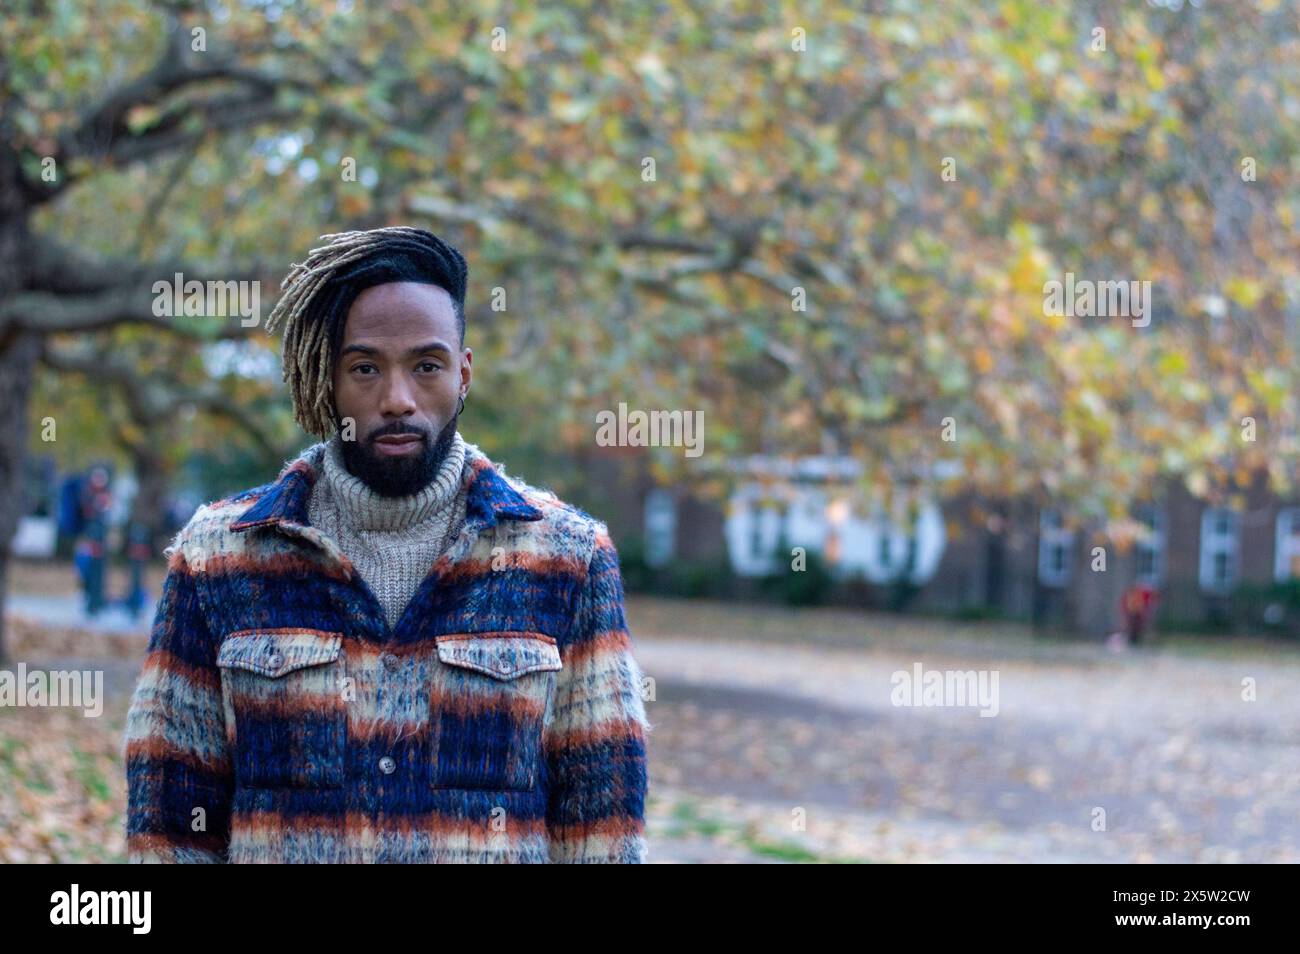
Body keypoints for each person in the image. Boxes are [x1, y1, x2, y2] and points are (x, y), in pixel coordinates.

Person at [122, 227, 651, 863]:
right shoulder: (219, 557)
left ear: (462, 374)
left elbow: (604, 835)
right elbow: (167, 828)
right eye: (365, 368)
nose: (396, 399)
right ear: (328, 377)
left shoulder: (568, 557)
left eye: (426, 366)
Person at [1120, 582, 1159, 647]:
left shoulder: (1142, 593)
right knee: (1133, 627)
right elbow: (1125, 603)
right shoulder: (1131, 594)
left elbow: (1148, 601)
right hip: (1133, 612)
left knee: (1137, 627)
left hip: (1138, 613)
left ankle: (1136, 640)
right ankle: (1132, 640)